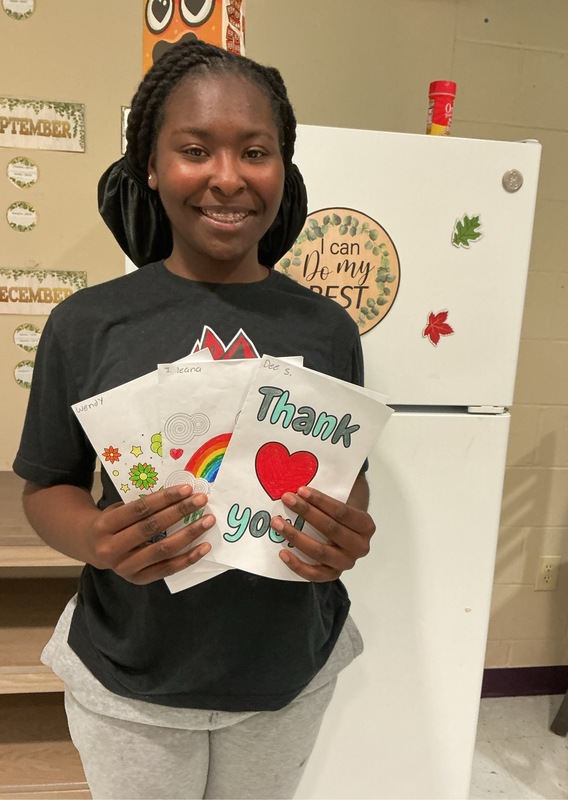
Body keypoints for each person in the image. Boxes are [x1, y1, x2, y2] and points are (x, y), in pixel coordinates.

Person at [13, 39, 374, 800]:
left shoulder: (327, 329)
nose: (228, 176)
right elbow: (46, 486)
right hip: (131, 679)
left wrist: (342, 530)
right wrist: (96, 538)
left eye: (255, 151)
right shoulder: (88, 325)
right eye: (195, 149)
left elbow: (350, 476)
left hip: (286, 673)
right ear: (151, 165)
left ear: (284, 169)